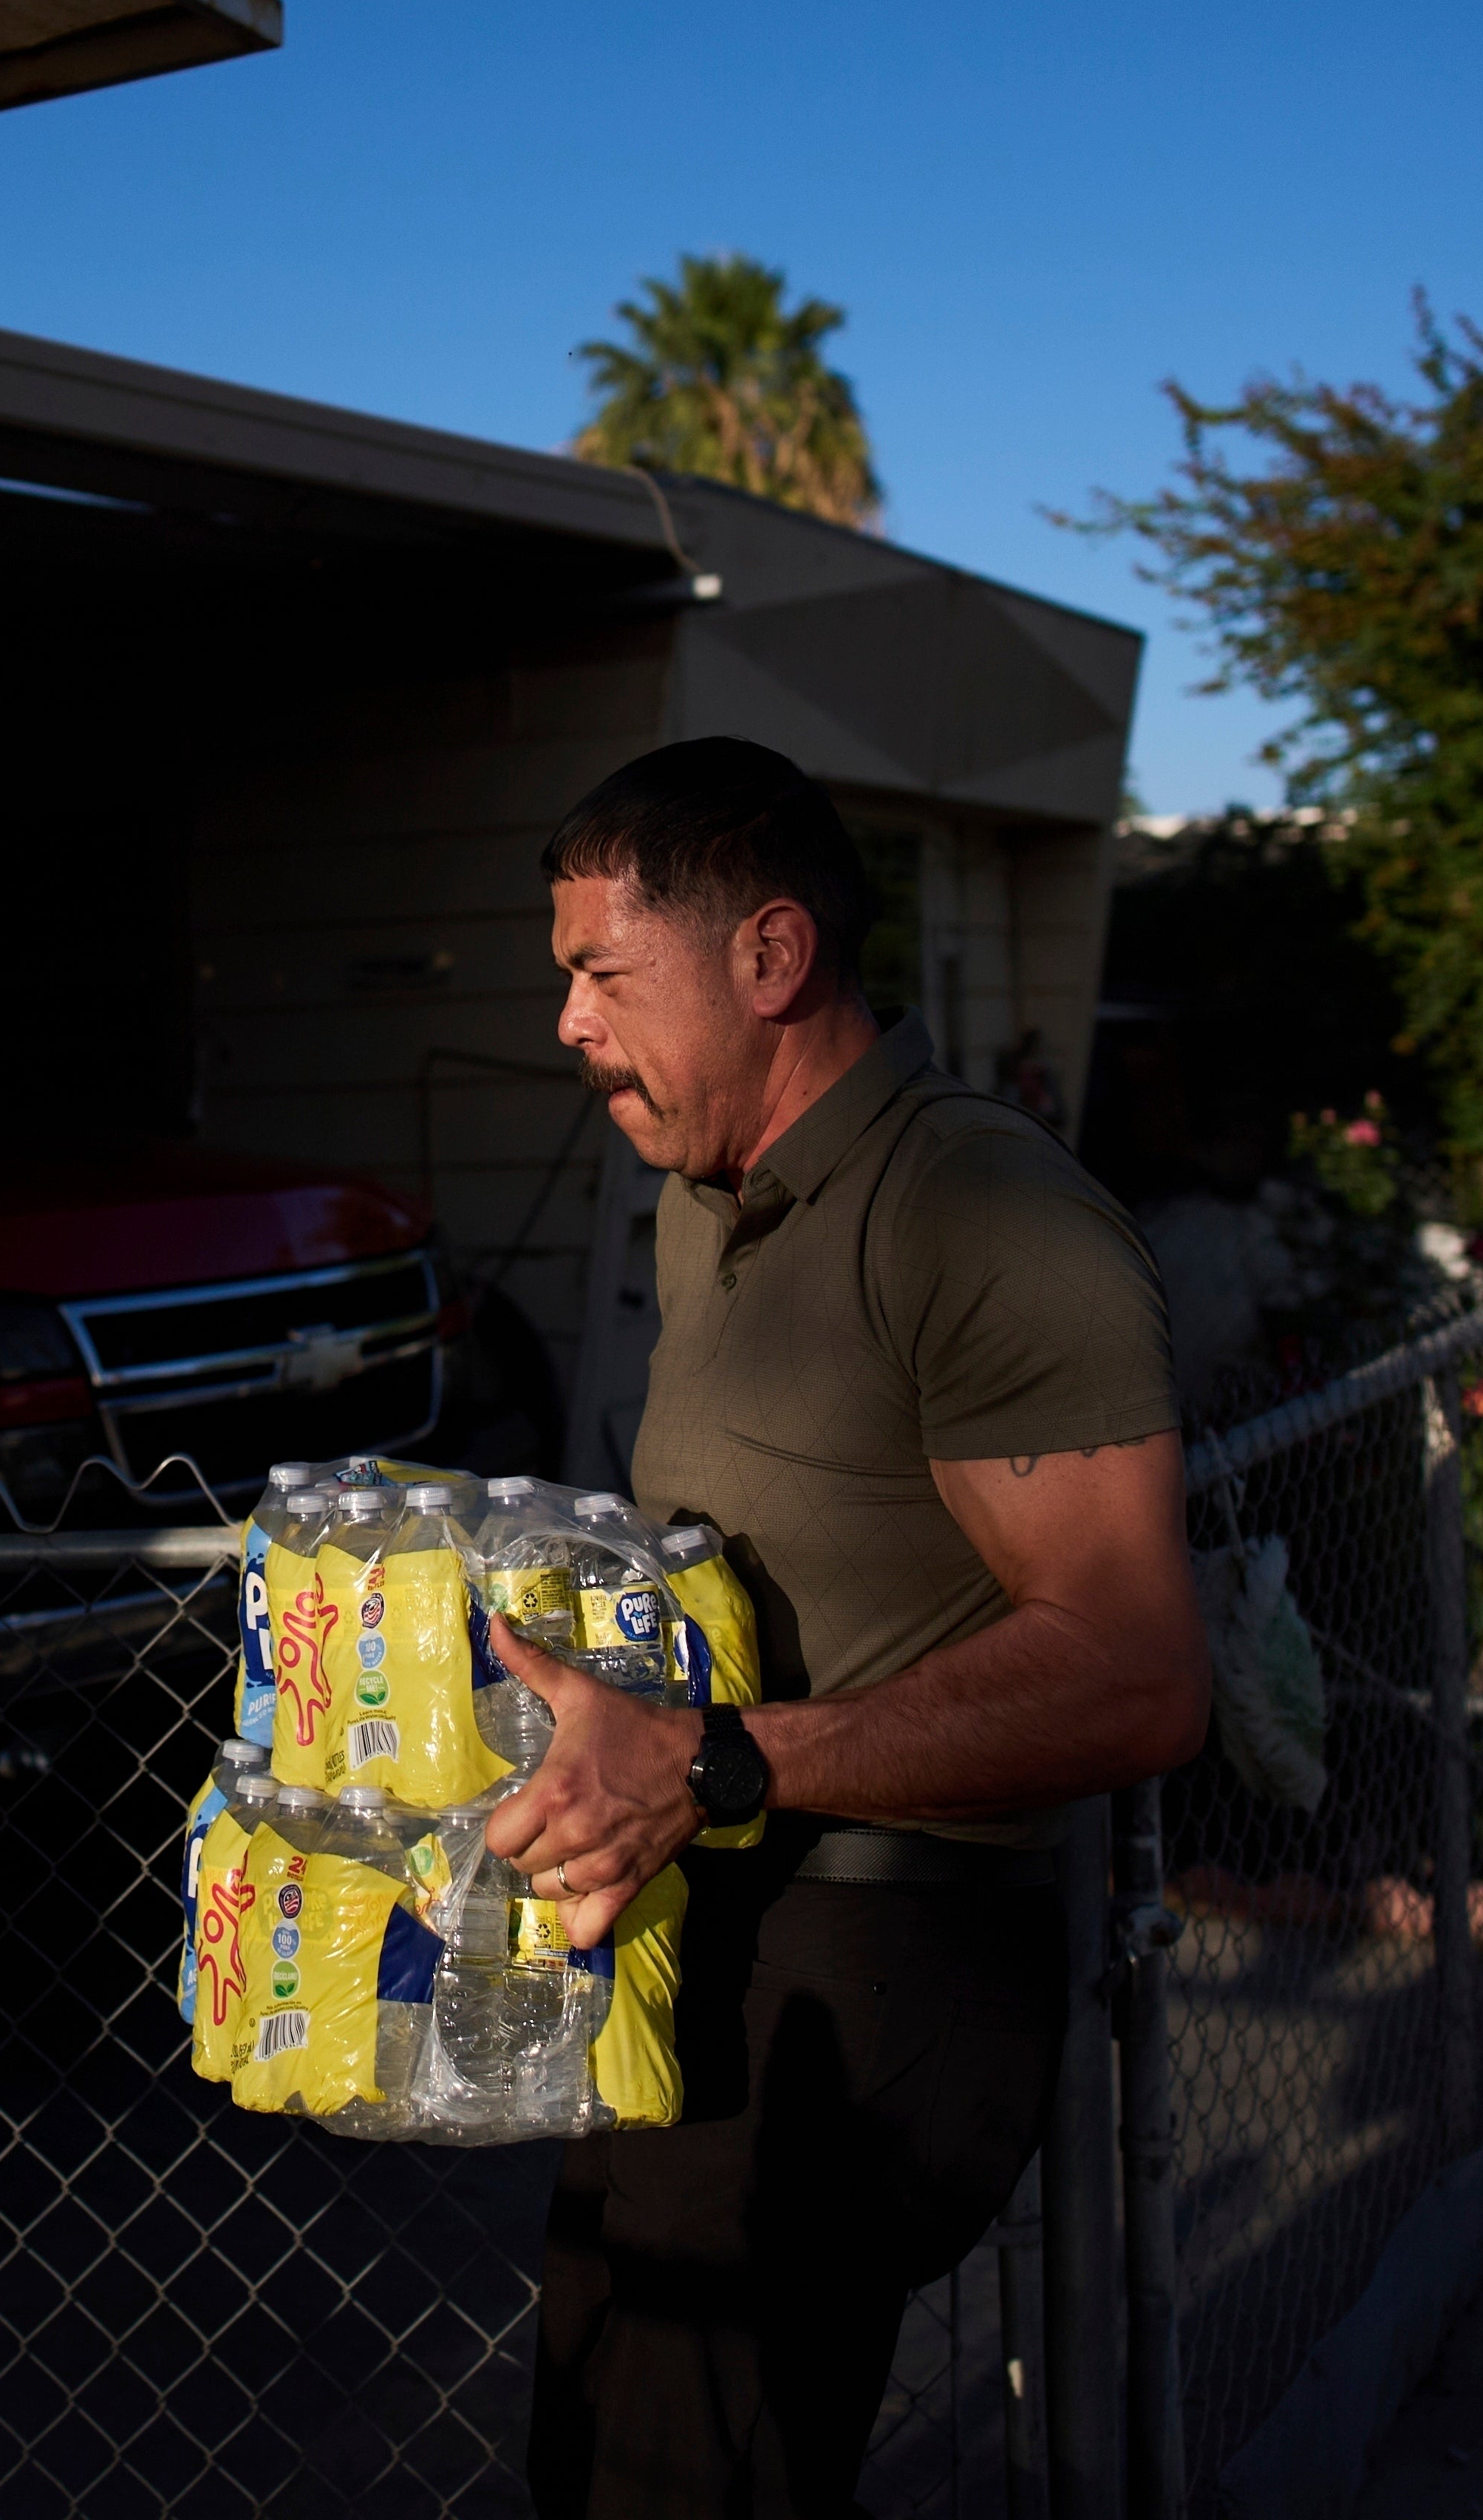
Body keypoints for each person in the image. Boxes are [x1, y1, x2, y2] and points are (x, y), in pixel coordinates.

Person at [483, 738, 1211, 2519]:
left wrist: (721, 1757)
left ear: (771, 957)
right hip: (706, 1927)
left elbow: (1135, 1669)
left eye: (600, 974)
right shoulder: (701, 1193)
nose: (569, 1025)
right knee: (591, 2442)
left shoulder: (988, 1215)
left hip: (884, 1957)